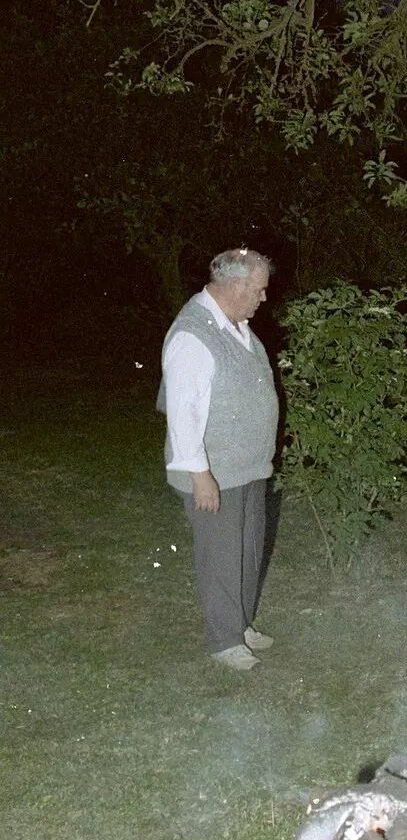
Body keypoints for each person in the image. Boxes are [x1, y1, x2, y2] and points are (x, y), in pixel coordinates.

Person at [159, 248, 279, 670]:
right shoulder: (195, 334)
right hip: (213, 473)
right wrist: (200, 473)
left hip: (246, 467)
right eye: (259, 290)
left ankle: (240, 623)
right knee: (221, 554)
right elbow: (183, 410)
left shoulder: (237, 328)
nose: (263, 298)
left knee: (247, 550)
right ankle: (224, 640)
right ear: (235, 286)